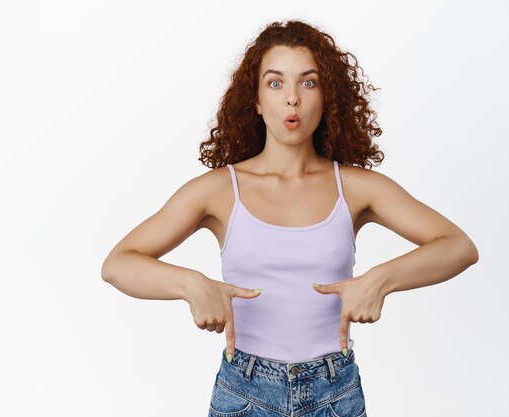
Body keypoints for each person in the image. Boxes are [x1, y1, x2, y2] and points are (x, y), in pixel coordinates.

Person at [101, 19, 479, 417]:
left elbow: (458, 247)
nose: (292, 99)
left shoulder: (356, 187)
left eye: (308, 82)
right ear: (257, 100)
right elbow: (118, 264)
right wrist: (189, 284)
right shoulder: (217, 190)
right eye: (276, 83)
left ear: (327, 97)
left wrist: (379, 280)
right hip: (245, 392)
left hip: (334, 392)